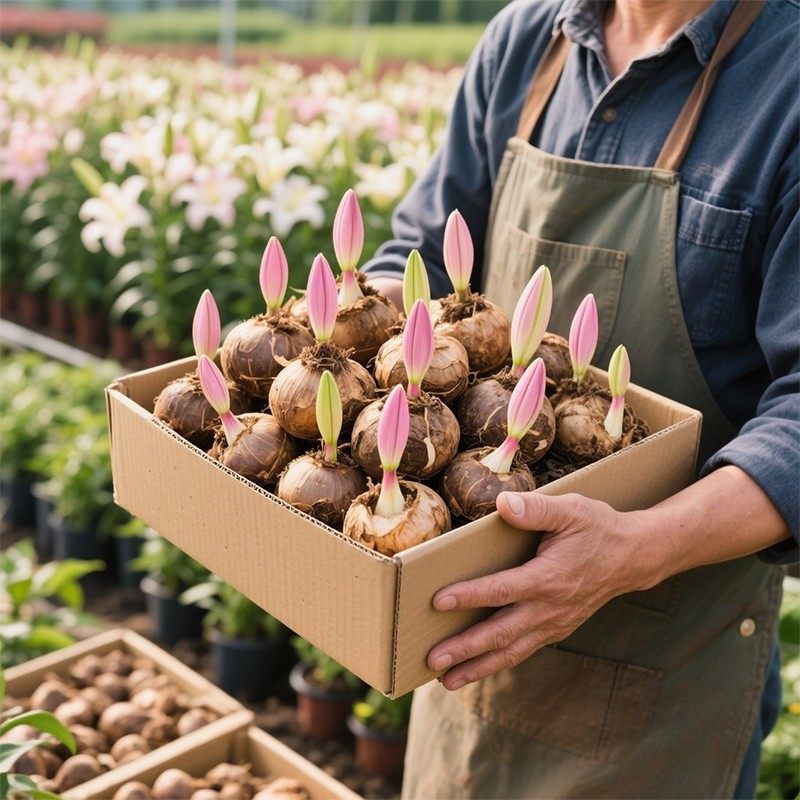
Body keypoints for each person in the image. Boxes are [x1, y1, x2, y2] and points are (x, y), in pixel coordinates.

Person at [361, 0, 799, 797]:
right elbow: (423, 252)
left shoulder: (787, 77)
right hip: (467, 639)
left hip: (666, 660)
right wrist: (344, 339)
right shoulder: (526, 40)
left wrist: (636, 550)